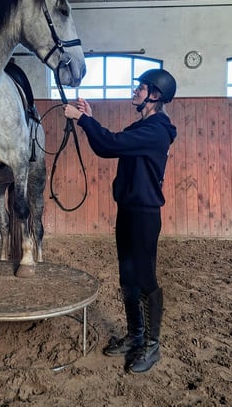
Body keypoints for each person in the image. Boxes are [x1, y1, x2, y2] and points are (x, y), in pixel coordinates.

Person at [63, 68, 177, 374]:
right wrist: (89, 118)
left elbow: (111, 144)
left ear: (155, 96)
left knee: (145, 279)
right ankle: (136, 335)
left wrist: (82, 120)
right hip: (128, 209)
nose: (136, 91)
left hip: (144, 214)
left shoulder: (156, 129)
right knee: (127, 277)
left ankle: (152, 346)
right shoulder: (143, 126)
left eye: (142, 88)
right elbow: (106, 145)